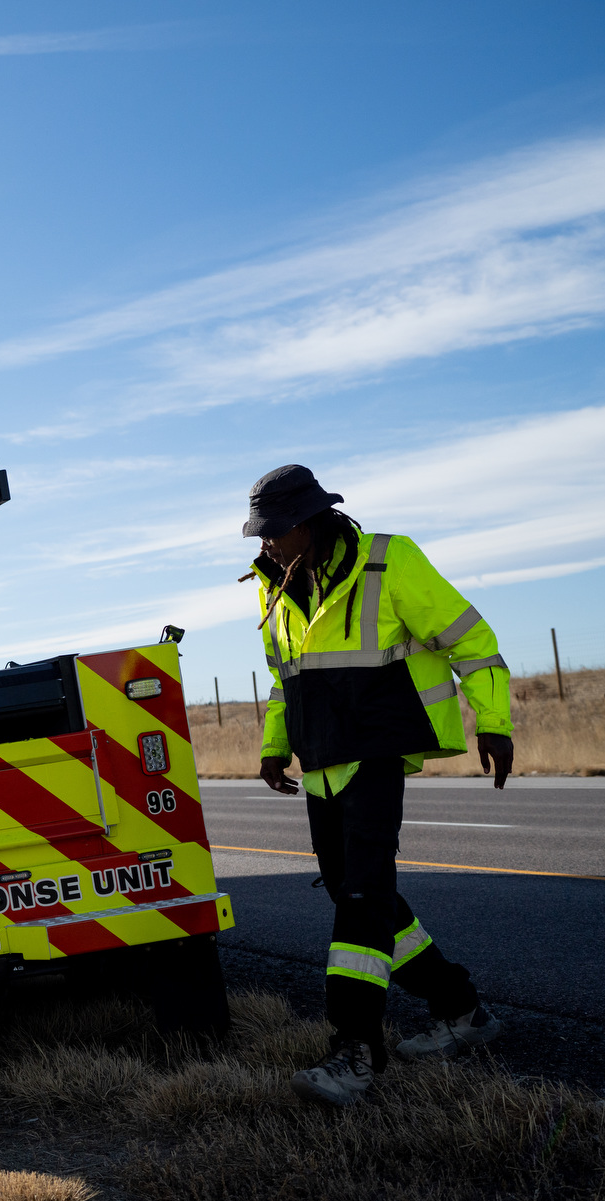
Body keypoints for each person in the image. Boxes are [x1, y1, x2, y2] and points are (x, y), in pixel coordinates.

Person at [242, 465, 514, 1108]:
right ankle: (462, 1009)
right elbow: (287, 677)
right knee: (353, 889)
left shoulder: (389, 560)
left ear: (307, 523)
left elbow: (469, 640)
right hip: (322, 757)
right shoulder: (273, 585)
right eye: (261, 534)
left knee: (361, 896)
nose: (266, 544)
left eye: (276, 532)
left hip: (378, 747)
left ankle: (356, 1050)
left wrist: (493, 723)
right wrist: (274, 745)